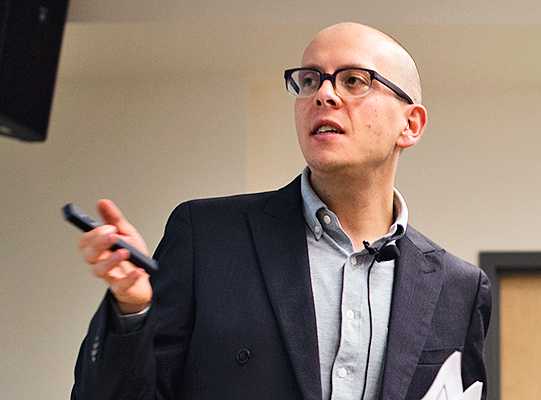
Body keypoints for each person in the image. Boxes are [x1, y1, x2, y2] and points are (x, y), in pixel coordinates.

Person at [71, 22, 491, 400]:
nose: (324, 94)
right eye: (310, 80)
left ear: (410, 125)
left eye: (354, 80)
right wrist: (132, 309)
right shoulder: (207, 238)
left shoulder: (459, 288)